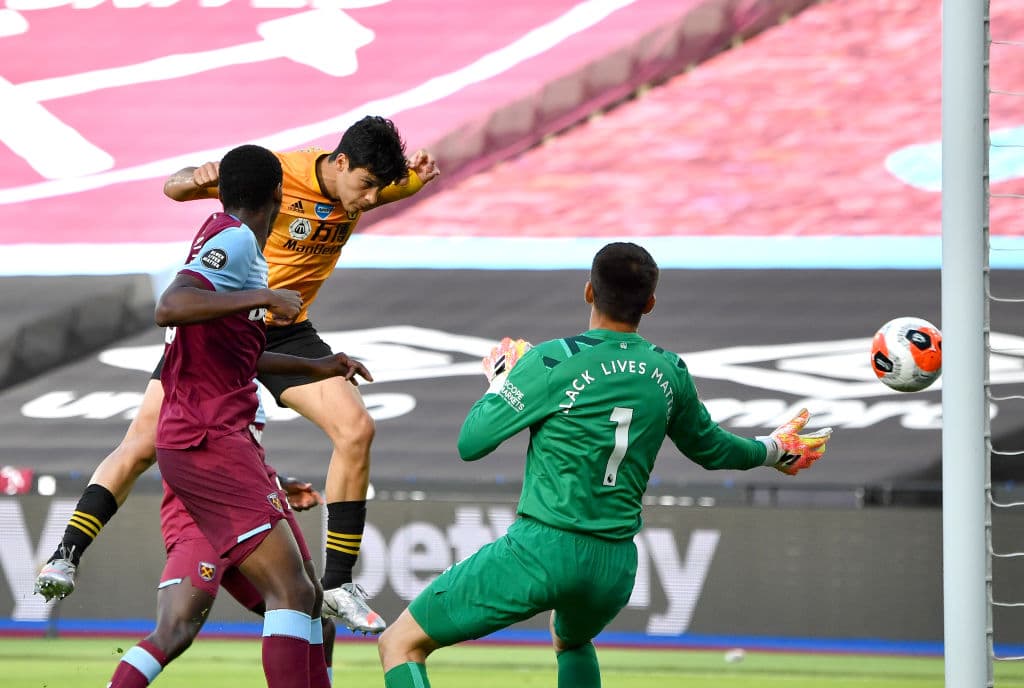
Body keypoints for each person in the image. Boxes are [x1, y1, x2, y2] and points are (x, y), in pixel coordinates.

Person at [35, 115, 440, 634]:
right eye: (364, 187)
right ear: (339, 163)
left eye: (378, 191)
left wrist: (418, 174)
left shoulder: (367, 185)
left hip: (287, 330)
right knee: (141, 444)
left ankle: (338, 583)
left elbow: (392, 182)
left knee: (356, 428)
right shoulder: (275, 175)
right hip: (224, 328)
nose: (367, 202)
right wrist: (195, 177)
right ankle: (66, 554)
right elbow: (175, 187)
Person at [376, 242, 834, 688]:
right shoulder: (669, 370)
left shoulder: (552, 360)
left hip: (543, 550)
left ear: (588, 291)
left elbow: (471, 443)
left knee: (399, 644)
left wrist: (502, 380)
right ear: (650, 304)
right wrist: (775, 450)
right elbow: (712, 449)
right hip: (613, 565)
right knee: (570, 639)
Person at [147, 143, 372, 688]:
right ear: (279, 193)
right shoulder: (237, 240)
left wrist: (321, 367)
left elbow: (242, 353)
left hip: (207, 437)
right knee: (292, 595)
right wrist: (267, 295)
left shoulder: (222, 233)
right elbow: (169, 307)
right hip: (208, 437)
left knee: (306, 596)